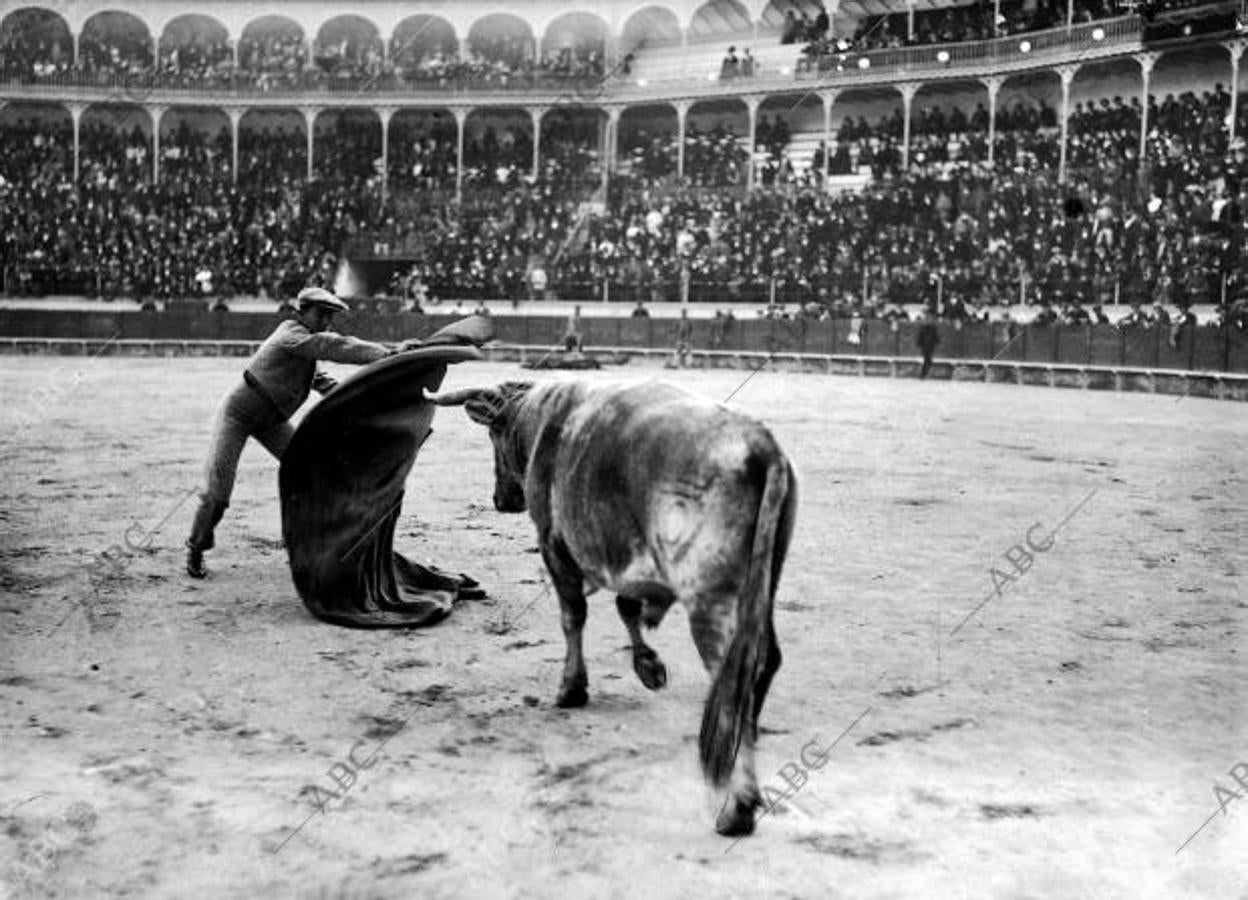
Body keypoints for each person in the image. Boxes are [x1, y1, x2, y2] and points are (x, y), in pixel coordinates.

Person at [184, 287, 403, 579]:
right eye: (321, 314)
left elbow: (330, 387)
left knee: (310, 470)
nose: (326, 321)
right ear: (300, 313)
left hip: (271, 421)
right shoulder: (290, 333)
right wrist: (388, 354)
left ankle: (306, 539)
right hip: (237, 415)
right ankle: (196, 546)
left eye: (330, 316)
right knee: (217, 494)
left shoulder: (306, 351)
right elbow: (334, 346)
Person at [916, 313, 940, 379]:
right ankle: (923, 373)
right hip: (927, 346)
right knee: (928, 360)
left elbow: (920, 337)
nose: (928, 321)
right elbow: (936, 337)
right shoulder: (932, 328)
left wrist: (919, 344)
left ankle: (923, 374)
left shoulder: (928, 328)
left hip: (928, 346)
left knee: (927, 360)